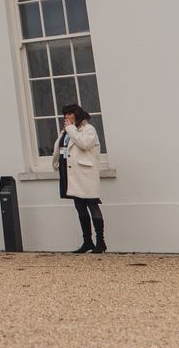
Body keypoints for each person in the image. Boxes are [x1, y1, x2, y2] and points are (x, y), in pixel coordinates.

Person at [57, 104, 105, 253]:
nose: (66, 118)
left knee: (92, 204)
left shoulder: (88, 129)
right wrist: (60, 161)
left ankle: (100, 242)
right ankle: (87, 241)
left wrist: (70, 129)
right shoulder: (68, 131)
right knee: (80, 207)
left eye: (69, 114)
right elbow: (64, 148)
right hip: (71, 174)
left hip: (85, 174)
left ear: (77, 115)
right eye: (65, 115)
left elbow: (84, 144)